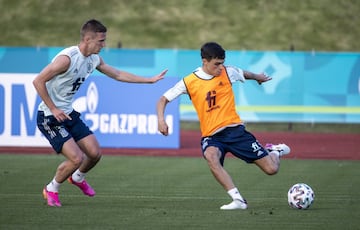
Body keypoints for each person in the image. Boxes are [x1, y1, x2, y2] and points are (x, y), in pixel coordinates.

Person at [33, 19, 167, 207]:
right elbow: (38, 81)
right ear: (87, 39)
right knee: (76, 158)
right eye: (100, 41)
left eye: (104, 40)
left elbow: (117, 74)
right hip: (50, 117)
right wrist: (53, 109)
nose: (104, 45)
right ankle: (51, 189)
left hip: (68, 113)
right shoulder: (67, 59)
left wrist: (149, 80)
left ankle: (78, 178)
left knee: (95, 153)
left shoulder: (94, 59)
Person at [156, 42, 290, 210]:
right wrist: (161, 120)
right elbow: (163, 99)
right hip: (212, 136)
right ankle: (238, 200)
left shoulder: (228, 72)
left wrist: (258, 77)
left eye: (222, 63)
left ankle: (275, 151)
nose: (220, 67)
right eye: (216, 64)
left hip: (235, 132)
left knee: (271, 169)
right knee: (211, 156)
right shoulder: (189, 81)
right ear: (205, 61)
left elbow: (244, 73)